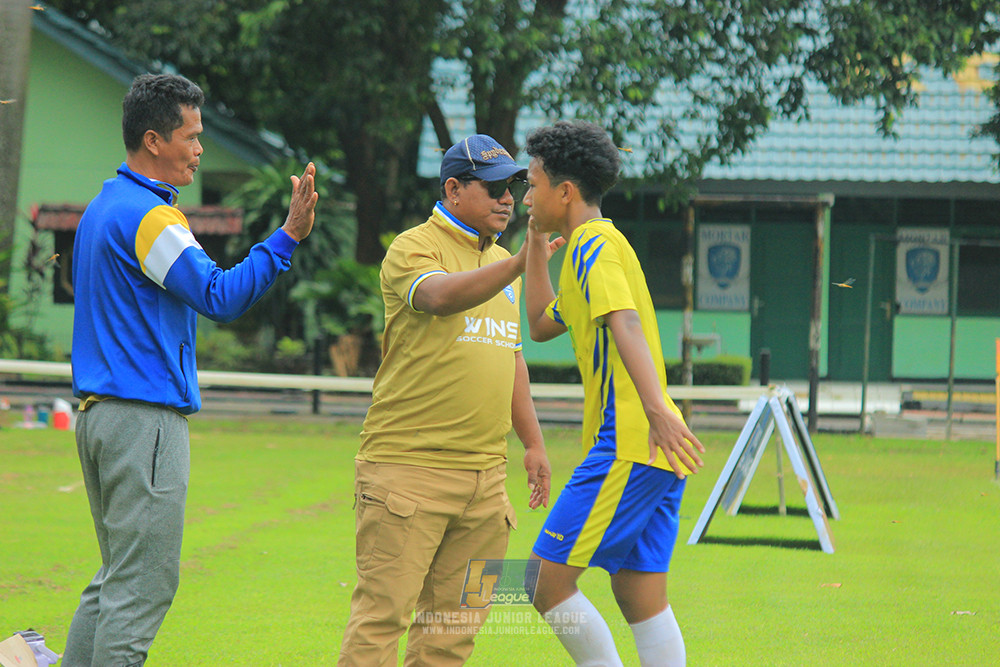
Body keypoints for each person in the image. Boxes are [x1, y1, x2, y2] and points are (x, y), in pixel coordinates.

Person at [64, 73, 318, 667]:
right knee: (142, 587)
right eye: (192, 135)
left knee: (114, 581)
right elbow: (219, 296)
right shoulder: (152, 217)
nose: (200, 148)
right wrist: (286, 238)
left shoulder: (103, 207)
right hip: (143, 423)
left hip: (100, 419)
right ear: (154, 141)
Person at [339, 134, 554, 667]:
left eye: (515, 187)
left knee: (451, 636)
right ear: (453, 189)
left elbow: (511, 358)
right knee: (381, 621)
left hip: (484, 481)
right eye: (496, 187)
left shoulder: (505, 259)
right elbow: (437, 297)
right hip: (407, 470)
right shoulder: (414, 247)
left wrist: (532, 443)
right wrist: (521, 263)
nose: (509, 198)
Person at [521, 120, 706, 667]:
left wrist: (655, 411)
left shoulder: (594, 244)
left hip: (629, 440)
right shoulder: (594, 249)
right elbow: (539, 322)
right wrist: (535, 246)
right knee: (638, 593)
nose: (525, 196)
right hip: (651, 448)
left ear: (565, 192)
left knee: (543, 581)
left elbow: (624, 322)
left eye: (532, 185)